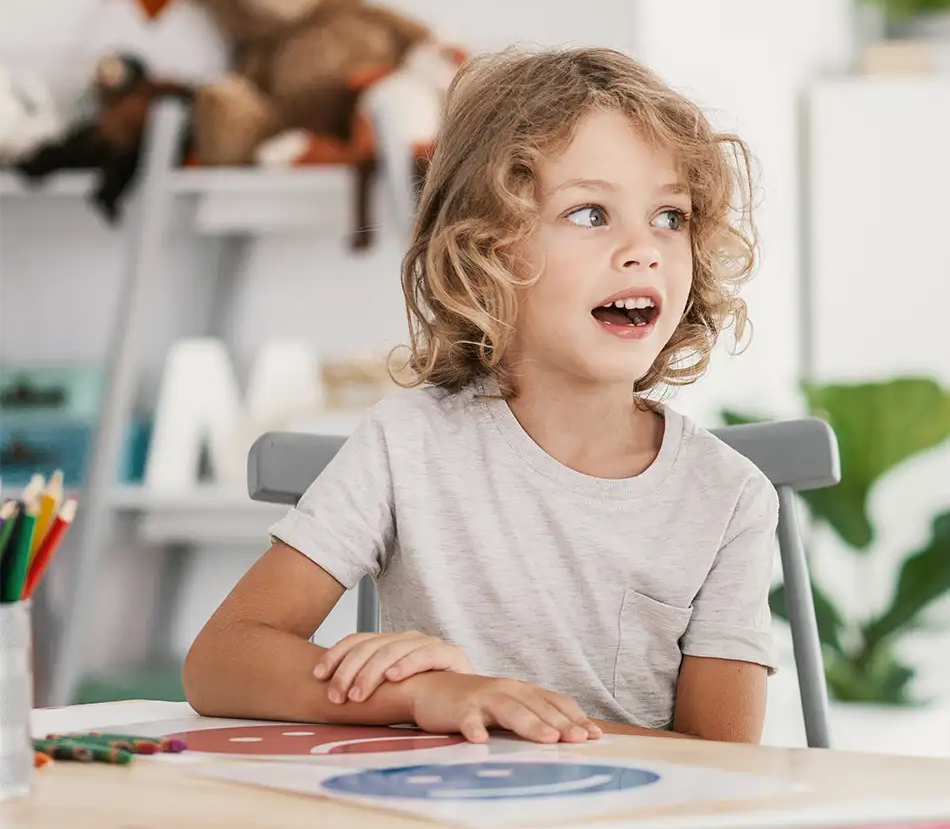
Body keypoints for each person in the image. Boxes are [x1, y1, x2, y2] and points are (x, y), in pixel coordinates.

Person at [184, 47, 779, 745]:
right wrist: (423, 693)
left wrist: (518, 721)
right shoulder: (409, 444)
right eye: (590, 214)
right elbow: (220, 661)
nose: (643, 249)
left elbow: (725, 765)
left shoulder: (729, 497)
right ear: (483, 251)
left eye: (670, 217)